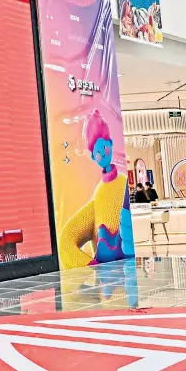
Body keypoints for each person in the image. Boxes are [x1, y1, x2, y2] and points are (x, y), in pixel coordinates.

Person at [58, 109, 134, 269]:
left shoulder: (123, 183)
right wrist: (90, 268)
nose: (103, 154)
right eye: (98, 152)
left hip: (130, 271)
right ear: (93, 156)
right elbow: (66, 240)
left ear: (111, 144)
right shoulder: (99, 196)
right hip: (107, 284)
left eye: (104, 148)